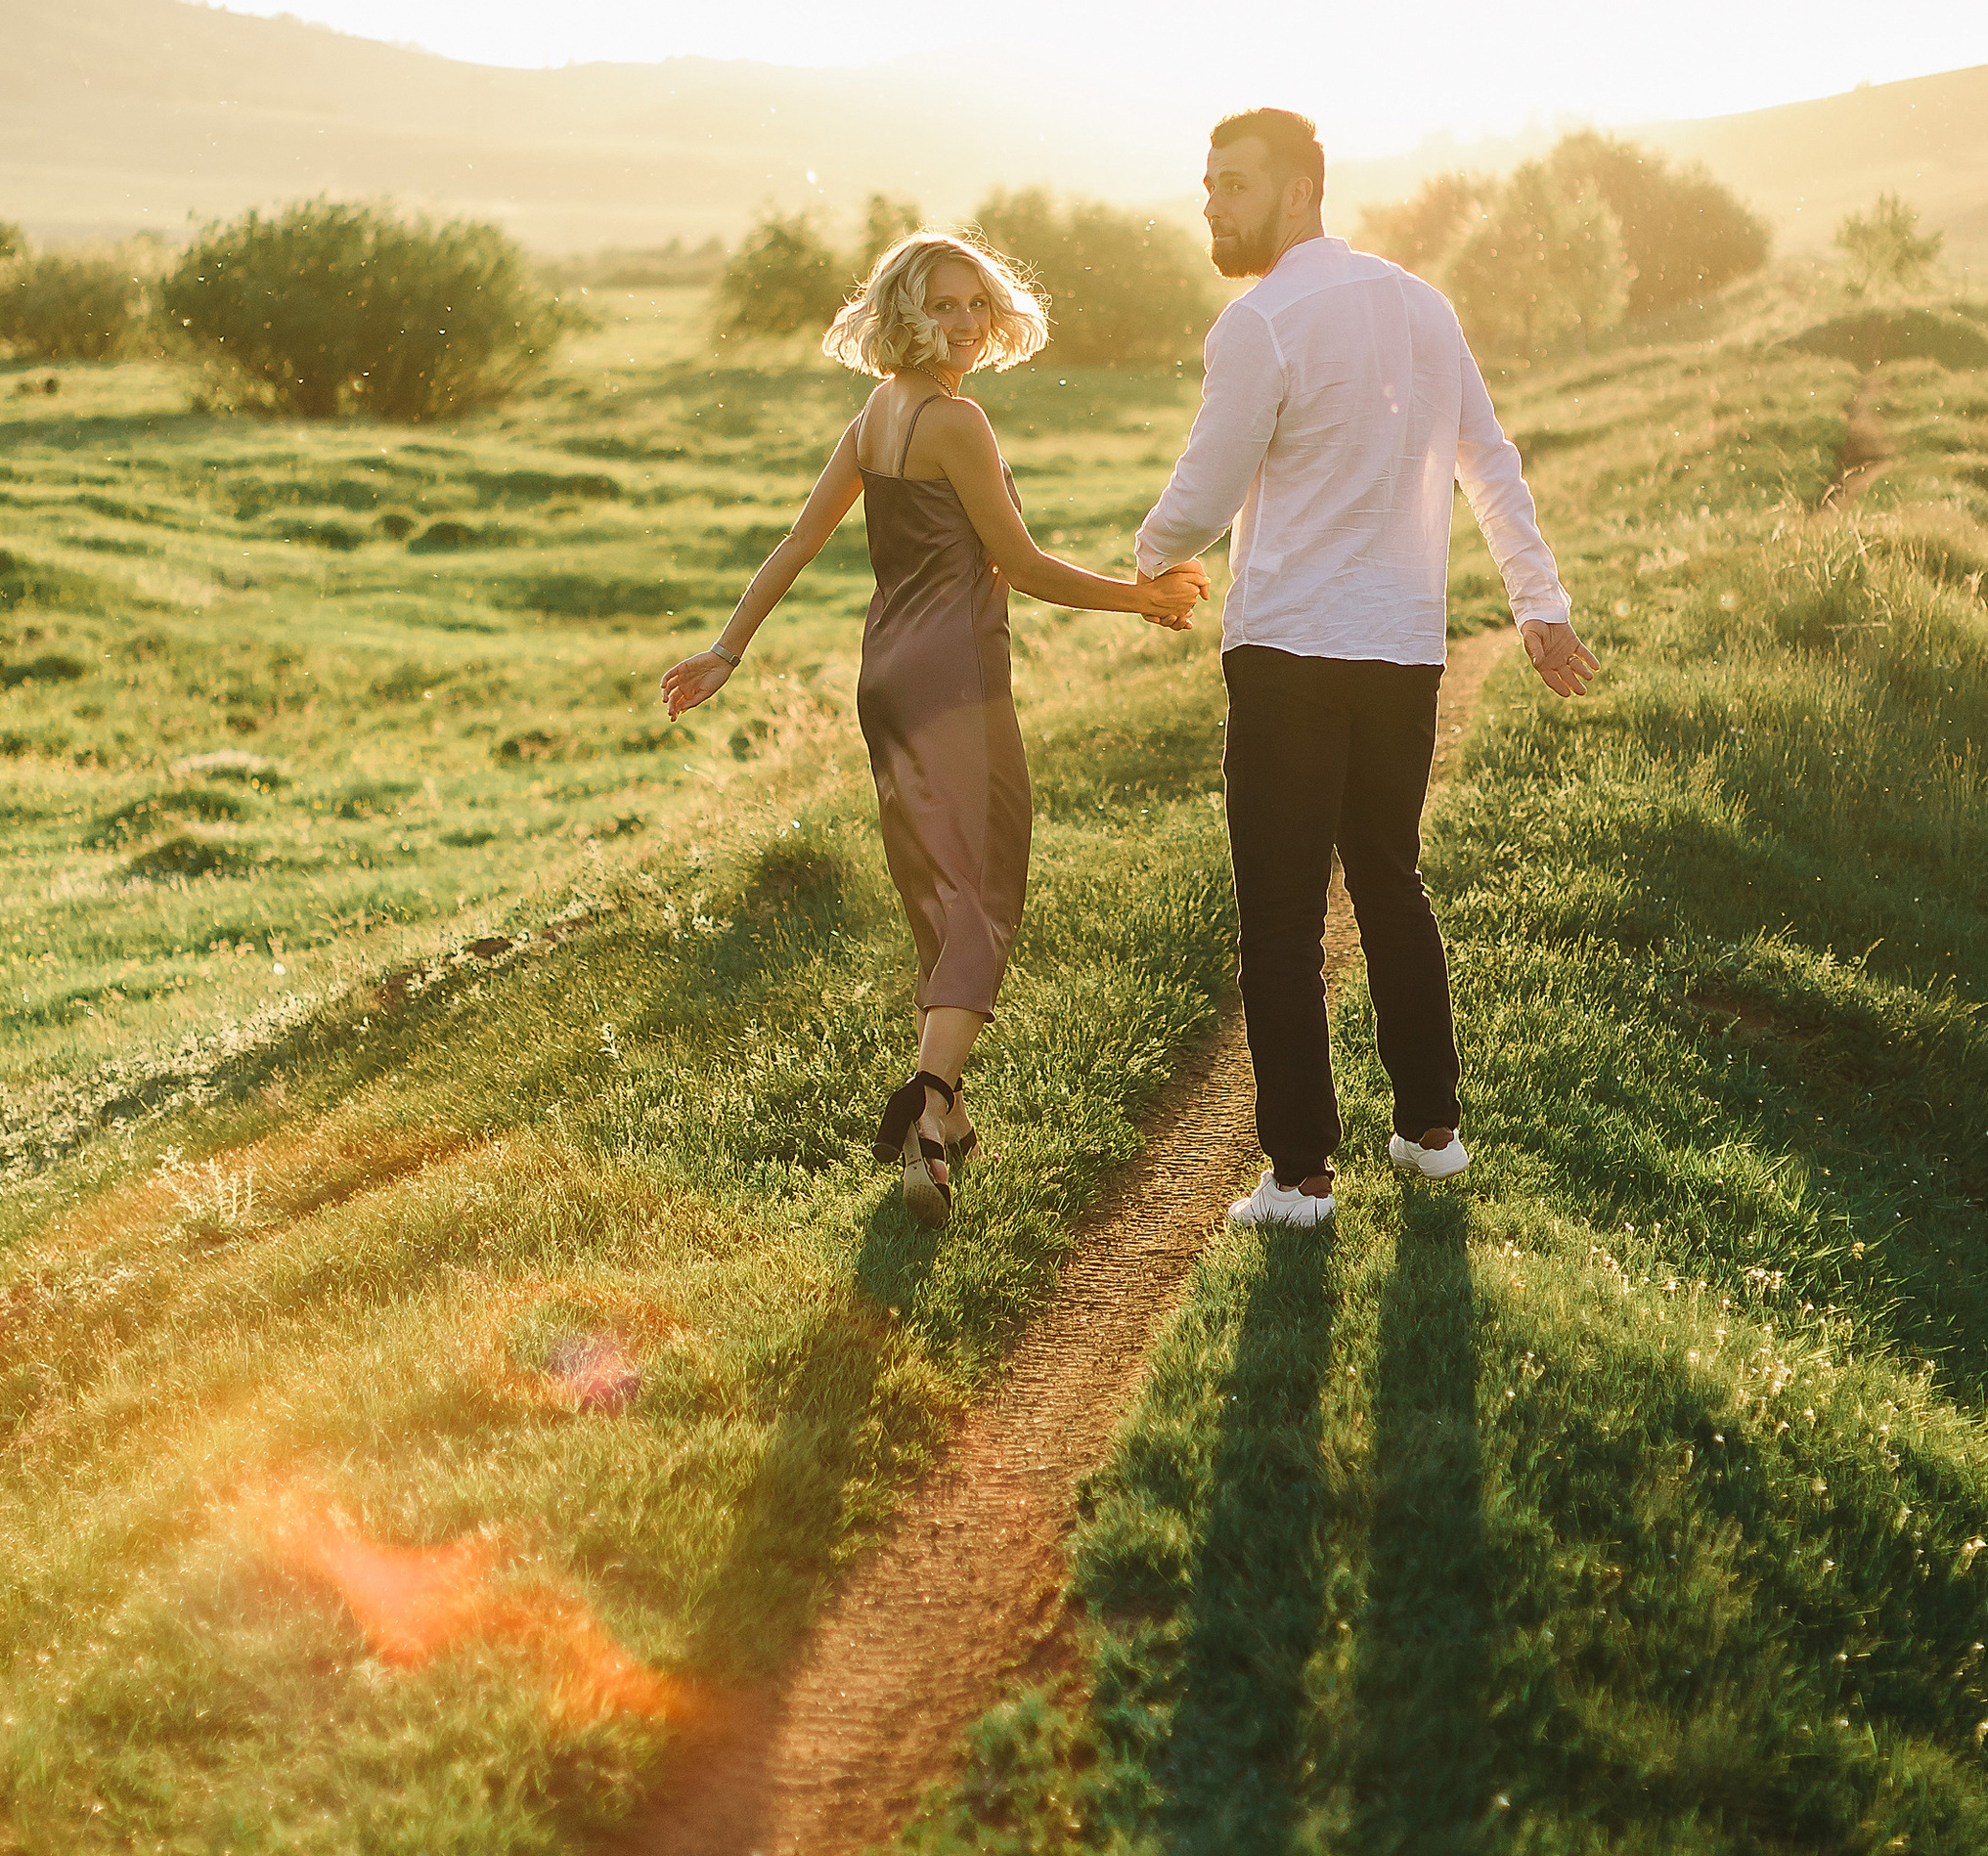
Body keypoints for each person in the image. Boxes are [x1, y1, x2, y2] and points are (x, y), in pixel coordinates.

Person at [663, 232, 1208, 1225]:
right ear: (904, 312)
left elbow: (798, 537)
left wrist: (728, 649)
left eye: (973, 305)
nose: (962, 322)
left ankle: (948, 1112)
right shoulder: (955, 421)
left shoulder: (877, 412)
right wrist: (1145, 598)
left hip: (887, 675)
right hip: (954, 676)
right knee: (985, 885)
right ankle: (923, 1109)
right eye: (942, 305)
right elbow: (1027, 568)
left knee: (935, 882)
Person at [1135, 107, 1596, 1224]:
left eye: (1234, 184)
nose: (1211, 202)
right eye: (1207, 183)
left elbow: (1202, 488)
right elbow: (1489, 462)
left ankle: (1298, 1177)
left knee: (1283, 918)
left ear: (1301, 192)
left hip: (1292, 652)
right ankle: (1430, 1134)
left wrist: (1152, 560)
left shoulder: (1259, 323)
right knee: (1392, 885)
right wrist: (1538, 604)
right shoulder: (1423, 306)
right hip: (1401, 653)